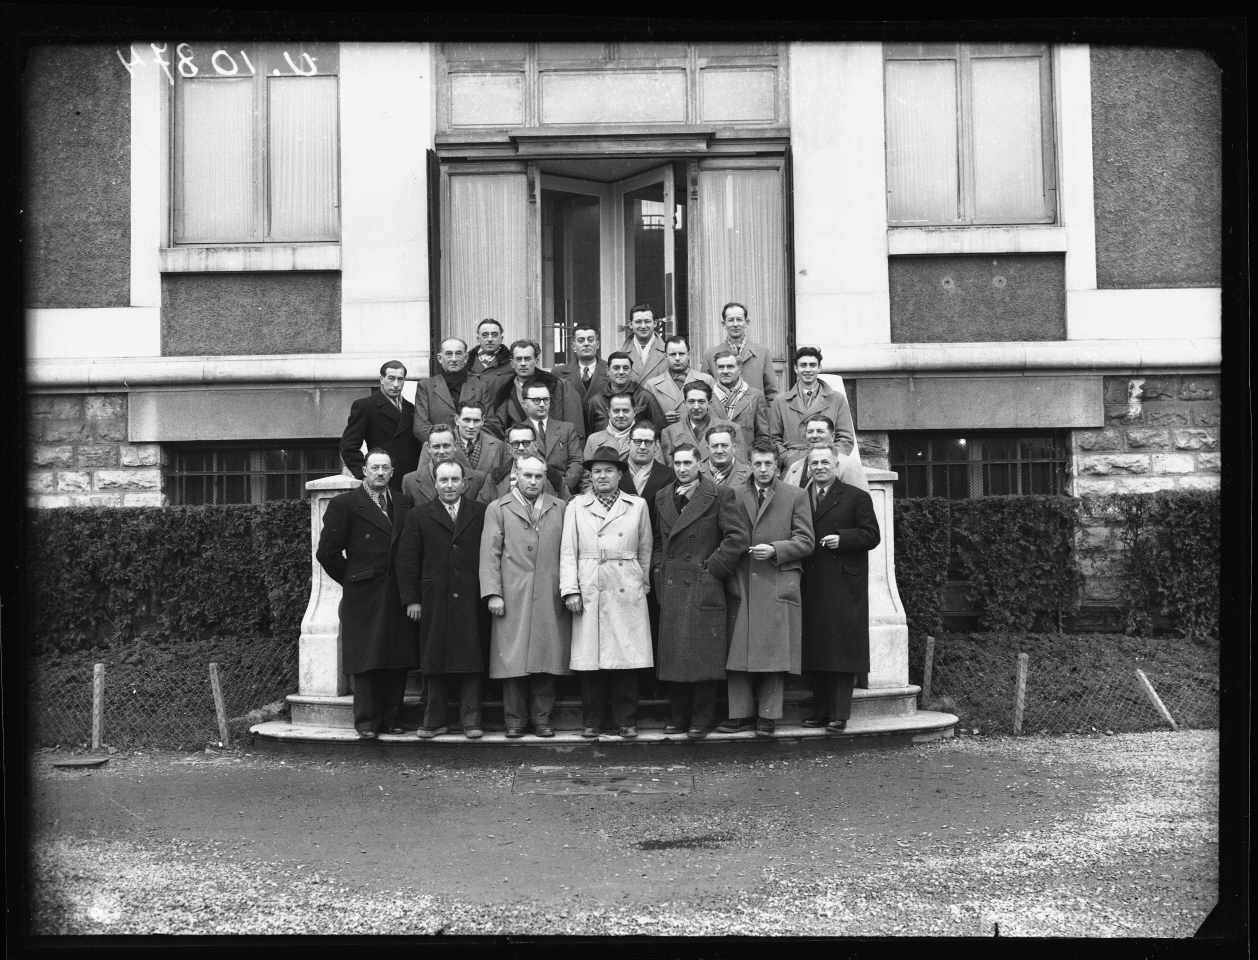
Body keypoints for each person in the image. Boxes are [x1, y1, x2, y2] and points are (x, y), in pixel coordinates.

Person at [315, 449, 416, 738]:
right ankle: (367, 723)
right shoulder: (345, 504)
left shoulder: (404, 502)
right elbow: (327, 553)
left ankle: (391, 719)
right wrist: (353, 579)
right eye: (375, 468)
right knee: (368, 658)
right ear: (364, 471)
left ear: (392, 472)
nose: (380, 473)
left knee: (397, 656)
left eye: (385, 468)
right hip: (364, 593)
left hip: (398, 591)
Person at [652, 443, 749, 739]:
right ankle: (680, 717)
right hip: (672, 583)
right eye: (677, 463)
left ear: (699, 464)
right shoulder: (662, 496)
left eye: (688, 463)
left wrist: (713, 569)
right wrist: (658, 568)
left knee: (702, 655)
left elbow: (737, 537)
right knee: (674, 655)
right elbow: (659, 540)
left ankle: (702, 719)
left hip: (702, 584)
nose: (682, 469)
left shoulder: (719, 494)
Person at [719, 436, 815, 737]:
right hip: (741, 581)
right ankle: (740, 715)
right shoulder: (733, 494)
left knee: (775, 653)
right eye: (757, 463)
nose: (763, 469)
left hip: (776, 580)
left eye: (768, 464)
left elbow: (806, 541)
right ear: (749, 464)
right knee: (737, 652)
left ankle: (768, 716)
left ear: (777, 465)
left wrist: (776, 549)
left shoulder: (795, 495)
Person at [559, 445, 654, 739]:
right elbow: (568, 551)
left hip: (626, 583)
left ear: (619, 474)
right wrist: (570, 589)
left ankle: (626, 720)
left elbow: (645, 548)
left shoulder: (637, 505)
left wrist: (642, 582)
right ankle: (592, 721)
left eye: (609, 471)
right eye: (597, 471)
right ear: (590, 475)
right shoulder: (576, 506)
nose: (602, 476)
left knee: (626, 655)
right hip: (591, 583)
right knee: (592, 656)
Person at [480, 453, 573, 738]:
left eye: (538, 476)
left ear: (545, 478)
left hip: (549, 592)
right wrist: (493, 593)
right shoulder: (498, 508)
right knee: (512, 659)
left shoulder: (560, 507)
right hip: (512, 594)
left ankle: (542, 719)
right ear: (516, 476)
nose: (533, 481)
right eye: (527, 475)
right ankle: (515, 721)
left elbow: (569, 551)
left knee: (546, 657)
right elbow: (489, 554)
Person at [396, 460, 491, 739]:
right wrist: (412, 600)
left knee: (472, 656)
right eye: (443, 480)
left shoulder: (481, 512)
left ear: (464, 483)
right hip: (434, 599)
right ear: (435, 484)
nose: (449, 485)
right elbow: (407, 560)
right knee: (433, 657)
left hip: (471, 597)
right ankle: (435, 719)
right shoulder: (418, 515)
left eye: (454, 480)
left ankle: (471, 720)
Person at [800, 444, 881, 735]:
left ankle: (839, 714)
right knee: (817, 648)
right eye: (814, 463)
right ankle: (821, 712)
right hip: (811, 580)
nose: (819, 467)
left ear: (836, 466)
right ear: (808, 467)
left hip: (843, 584)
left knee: (840, 650)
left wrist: (843, 538)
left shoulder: (856, 496)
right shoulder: (800, 497)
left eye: (825, 462)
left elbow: (872, 535)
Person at [339, 361, 422, 491]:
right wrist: (365, 475)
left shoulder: (410, 408)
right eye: (391, 378)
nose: (396, 384)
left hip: (410, 481)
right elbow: (348, 446)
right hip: (383, 479)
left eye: (400, 379)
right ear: (381, 379)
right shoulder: (365, 406)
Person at [768, 346, 856, 466]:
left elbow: (846, 439)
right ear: (796, 368)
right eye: (803, 365)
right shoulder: (780, 401)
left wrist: (830, 458)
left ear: (819, 368)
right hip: (793, 464)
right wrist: (786, 459)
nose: (808, 370)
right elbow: (773, 439)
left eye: (812, 365)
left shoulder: (836, 399)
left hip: (825, 464)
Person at [485, 339, 582, 441]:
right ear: (512, 363)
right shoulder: (504, 393)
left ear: (536, 361)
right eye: (518, 359)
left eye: (527, 359)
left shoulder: (558, 386)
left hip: (555, 445)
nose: (523, 363)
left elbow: (575, 427)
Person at [412, 338, 490, 446]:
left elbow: (489, 424)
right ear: (440, 358)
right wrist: (447, 447)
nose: (454, 359)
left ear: (466, 358)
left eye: (458, 354)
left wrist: (468, 447)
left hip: (472, 451)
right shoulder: (426, 386)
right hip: (439, 451)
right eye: (448, 354)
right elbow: (421, 427)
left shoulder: (480, 387)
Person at [701, 302, 779, 402]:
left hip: (755, 410)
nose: (735, 324)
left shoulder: (762, 352)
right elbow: (703, 392)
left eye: (739, 319)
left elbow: (772, 393)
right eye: (730, 320)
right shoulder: (710, 355)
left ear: (746, 323)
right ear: (724, 324)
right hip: (722, 411)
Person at [477, 424, 568, 504]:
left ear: (536, 446)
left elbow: (567, 508)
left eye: (526, 443)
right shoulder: (494, 479)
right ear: (509, 448)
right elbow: (481, 511)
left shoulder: (554, 478)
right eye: (515, 443)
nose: (520, 448)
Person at [519, 382, 583, 495]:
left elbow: (576, 461)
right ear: (524, 403)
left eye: (546, 400)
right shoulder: (516, 432)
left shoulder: (566, 429)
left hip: (562, 491)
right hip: (530, 491)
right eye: (536, 400)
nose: (542, 404)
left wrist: (565, 486)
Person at [401, 423, 487, 504]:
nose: (441, 451)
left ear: (455, 446)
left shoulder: (478, 479)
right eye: (436, 446)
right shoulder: (410, 481)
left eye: (446, 446)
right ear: (428, 448)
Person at [585, 351, 667, 436]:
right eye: (616, 368)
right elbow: (589, 436)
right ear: (607, 371)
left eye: (625, 368)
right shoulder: (595, 402)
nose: (621, 372)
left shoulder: (645, 398)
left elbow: (661, 432)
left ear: (631, 371)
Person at [780, 414, 869, 492]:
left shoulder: (849, 465)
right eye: (810, 432)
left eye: (820, 431)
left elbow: (861, 501)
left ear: (832, 436)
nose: (814, 436)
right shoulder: (795, 467)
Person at [642, 335, 717, 426]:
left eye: (681, 354)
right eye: (672, 354)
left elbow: (717, 415)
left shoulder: (707, 380)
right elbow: (643, 420)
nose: (677, 358)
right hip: (666, 434)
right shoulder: (651, 385)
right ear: (665, 356)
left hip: (700, 433)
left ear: (688, 355)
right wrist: (660, 419)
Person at [660, 381, 740, 465]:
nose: (696, 407)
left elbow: (741, 469)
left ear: (709, 403)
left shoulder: (732, 429)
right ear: (685, 403)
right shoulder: (669, 432)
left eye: (701, 401)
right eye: (691, 401)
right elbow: (669, 469)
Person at [552, 323, 609, 436]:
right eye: (581, 340)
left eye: (590, 340)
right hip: (572, 436)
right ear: (573, 346)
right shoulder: (558, 373)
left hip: (602, 435)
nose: (586, 344)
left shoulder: (611, 371)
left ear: (597, 344)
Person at [710, 347, 770, 454]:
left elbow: (762, 435)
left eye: (730, 367)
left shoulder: (755, 396)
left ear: (740, 369)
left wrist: (754, 457)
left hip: (745, 459)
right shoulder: (707, 397)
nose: (725, 371)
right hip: (716, 457)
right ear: (716, 369)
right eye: (721, 367)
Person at [580, 392, 636, 491]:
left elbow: (656, 473)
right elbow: (586, 480)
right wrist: (597, 499)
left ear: (634, 412)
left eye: (626, 411)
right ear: (608, 412)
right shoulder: (594, 440)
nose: (621, 415)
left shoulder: (646, 439)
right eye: (616, 411)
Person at [453, 401, 508, 474]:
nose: (471, 426)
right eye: (466, 420)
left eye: (476, 421)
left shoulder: (499, 446)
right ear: (457, 420)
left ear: (483, 420)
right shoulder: (444, 443)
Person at [620, 303, 668, 385]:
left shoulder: (668, 353)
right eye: (638, 322)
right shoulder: (619, 353)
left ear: (655, 323)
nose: (643, 326)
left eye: (647, 321)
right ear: (630, 324)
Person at [468, 318, 514, 393]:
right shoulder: (466, 362)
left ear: (501, 338)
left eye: (494, 335)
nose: (490, 339)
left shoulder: (512, 363)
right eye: (485, 335)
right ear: (478, 339)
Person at [700, 424, 753, 489]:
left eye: (724, 445)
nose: (719, 451)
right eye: (714, 446)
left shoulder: (750, 474)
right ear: (708, 449)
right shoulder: (696, 474)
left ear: (734, 448)